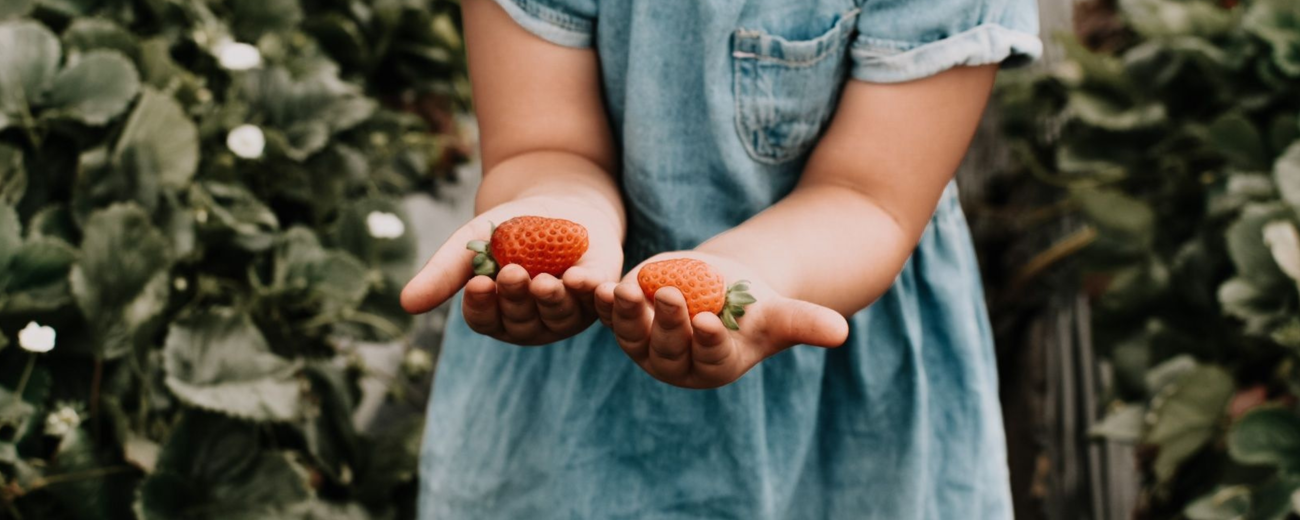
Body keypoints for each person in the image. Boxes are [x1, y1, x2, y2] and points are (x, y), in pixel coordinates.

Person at [400, 0, 1041, 517]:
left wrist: (750, 274)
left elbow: (867, 196)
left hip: (823, 302)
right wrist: (559, 214)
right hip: (574, 375)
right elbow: (541, 144)